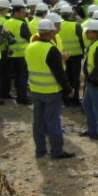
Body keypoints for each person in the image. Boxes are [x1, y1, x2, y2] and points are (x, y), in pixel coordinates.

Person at [26, 19, 76, 159]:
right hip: (51, 91)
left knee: (38, 122)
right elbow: (59, 73)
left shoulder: (30, 46)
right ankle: (57, 151)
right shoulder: (51, 49)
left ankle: (40, 150)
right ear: (52, 32)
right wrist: (68, 89)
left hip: (36, 89)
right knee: (53, 122)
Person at [3, 0, 32, 105]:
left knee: (16, 76)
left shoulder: (6, 22)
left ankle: (19, 96)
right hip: (22, 54)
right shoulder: (22, 24)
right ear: (17, 12)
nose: (25, 16)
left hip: (12, 54)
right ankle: (22, 97)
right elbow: (30, 38)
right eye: (23, 13)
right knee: (23, 77)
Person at [57, 3, 85, 107]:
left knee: (65, 78)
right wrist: (83, 51)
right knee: (75, 79)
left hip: (62, 56)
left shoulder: (58, 25)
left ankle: (66, 99)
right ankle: (75, 99)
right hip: (76, 56)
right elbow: (82, 40)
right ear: (71, 14)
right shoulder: (76, 25)